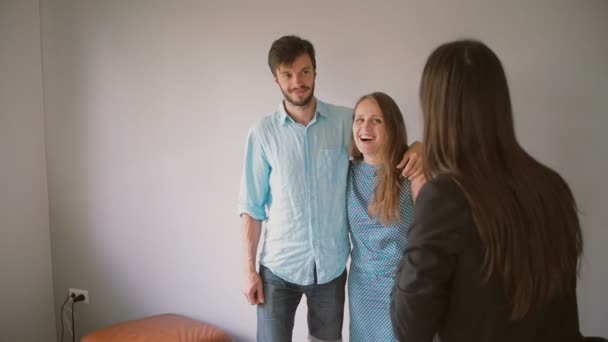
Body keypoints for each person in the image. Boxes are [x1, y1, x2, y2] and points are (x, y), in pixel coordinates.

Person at [390, 39, 583, 341]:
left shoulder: (443, 197)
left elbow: (409, 327)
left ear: (436, 110)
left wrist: (418, 217)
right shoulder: (553, 186)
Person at [238, 35, 423, 342]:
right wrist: (248, 271)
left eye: (305, 71)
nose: (298, 81)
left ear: (315, 72)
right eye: (288, 74)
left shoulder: (344, 121)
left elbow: (383, 132)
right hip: (279, 268)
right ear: (277, 80)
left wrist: (421, 146)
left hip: (330, 271)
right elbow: (251, 207)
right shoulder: (262, 133)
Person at [347, 92, 425, 342]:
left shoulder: (412, 172)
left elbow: (431, 238)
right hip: (361, 288)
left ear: (392, 127)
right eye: (359, 120)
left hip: (403, 288)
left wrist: (422, 147)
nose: (365, 127)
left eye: (376, 120)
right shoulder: (346, 172)